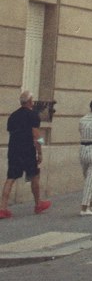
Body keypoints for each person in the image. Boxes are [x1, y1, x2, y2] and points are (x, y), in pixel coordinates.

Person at [0, 90, 51, 218]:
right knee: (34, 175)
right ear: (29, 102)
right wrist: (39, 151)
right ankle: (38, 203)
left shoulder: (13, 116)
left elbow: (12, 132)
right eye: (32, 100)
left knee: (10, 178)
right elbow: (36, 135)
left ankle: (2, 208)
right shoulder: (33, 115)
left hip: (14, 149)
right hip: (27, 149)